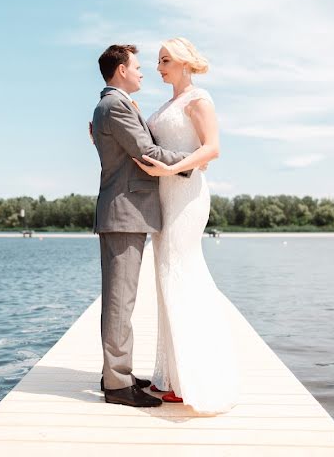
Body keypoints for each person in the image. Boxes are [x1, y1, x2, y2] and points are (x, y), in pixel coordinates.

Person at [133, 37, 239, 414]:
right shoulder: (165, 105)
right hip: (163, 197)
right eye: (157, 61)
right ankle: (175, 378)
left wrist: (172, 168)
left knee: (182, 275)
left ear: (182, 63)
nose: (158, 67)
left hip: (187, 195)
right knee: (165, 281)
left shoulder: (199, 99)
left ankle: (200, 375)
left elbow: (212, 148)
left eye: (164, 60)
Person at [90, 44, 192, 408]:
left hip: (126, 211)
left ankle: (117, 373)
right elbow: (145, 151)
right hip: (124, 211)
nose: (143, 72)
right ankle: (117, 385)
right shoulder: (115, 105)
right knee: (120, 302)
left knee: (122, 299)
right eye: (136, 66)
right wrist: (191, 161)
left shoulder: (116, 104)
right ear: (120, 70)